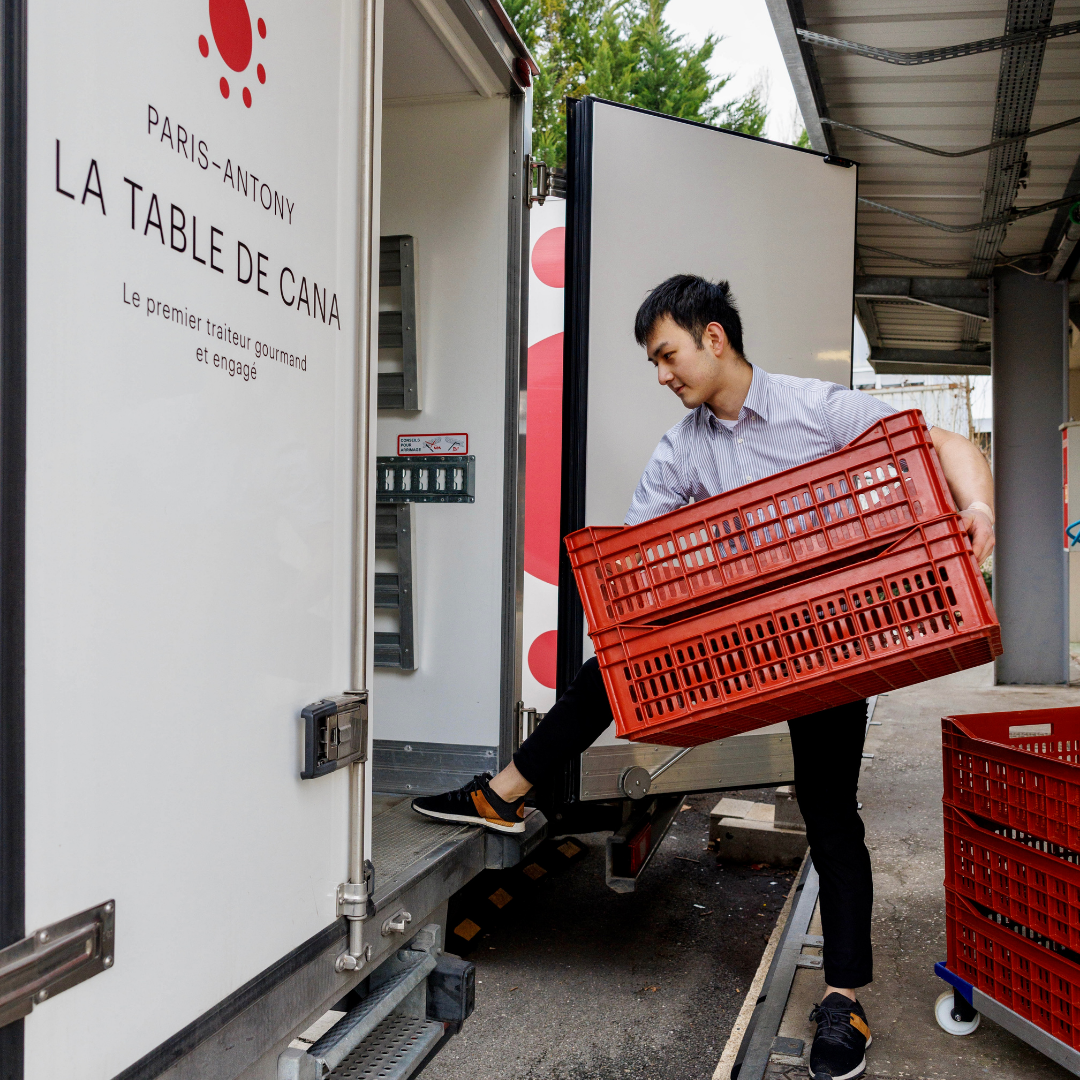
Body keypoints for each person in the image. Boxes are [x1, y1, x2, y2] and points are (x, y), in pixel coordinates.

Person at [413, 274, 995, 1080]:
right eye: (655, 362)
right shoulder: (683, 447)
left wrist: (980, 512)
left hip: (828, 638)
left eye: (667, 355)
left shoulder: (814, 409)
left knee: (832, 816)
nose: (663, 375)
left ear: (713, 337)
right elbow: (641, 556)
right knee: (607, 669)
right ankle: (504, 795)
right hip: (740, 636)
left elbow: (950, 444)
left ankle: (846, 1000)